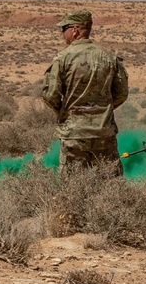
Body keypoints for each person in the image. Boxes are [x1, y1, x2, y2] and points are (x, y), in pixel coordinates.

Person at [42, 10, 129, 174]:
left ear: (75, 30)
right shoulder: (109, 56)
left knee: (73, 187)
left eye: (64, 29)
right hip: (104, 131)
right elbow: (122, 93)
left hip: (74, 133)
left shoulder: (63, 58)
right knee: (110, 185)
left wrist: (64, 113)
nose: (63, 34)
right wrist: (103, 110)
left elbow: (50, 95)